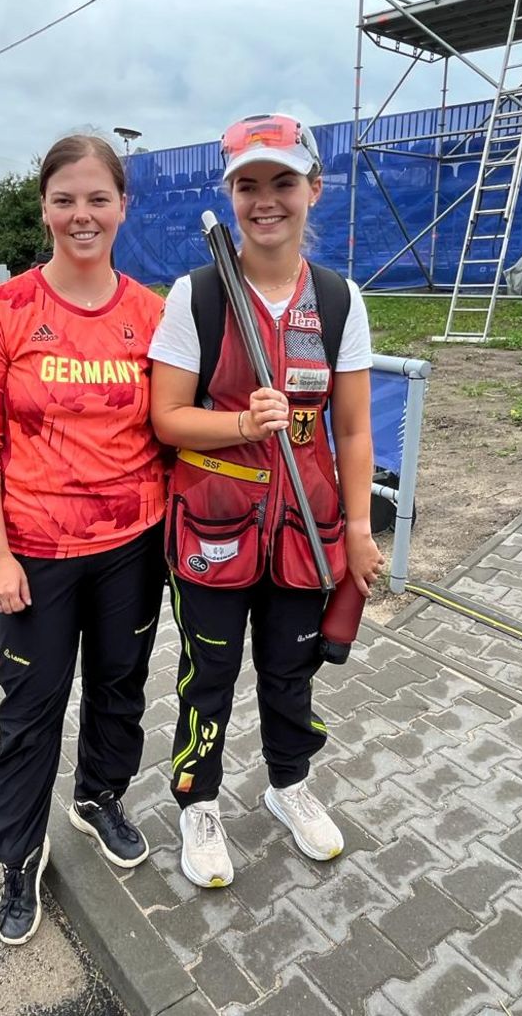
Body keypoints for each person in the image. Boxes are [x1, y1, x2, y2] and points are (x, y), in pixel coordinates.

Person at [149, 113, 384, 888]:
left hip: (306, 535)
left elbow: (352, 429)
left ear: (313, 189)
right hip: (212, 532)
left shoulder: (340, 299)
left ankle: (289, 787)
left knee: (292, 675)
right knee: (207, 676)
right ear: (231, 195)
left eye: (283, 181)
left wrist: (357, 529)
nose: (266, 200)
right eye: (248, 185)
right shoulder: (200, 295)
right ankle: (197, 802)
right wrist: (241, 423)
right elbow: (167, 417)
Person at [0, 134, 168, 944]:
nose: (82, 214)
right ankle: (19, 856)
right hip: (35, 553)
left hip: (132, 548)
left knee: (120, 684)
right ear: (44, 207)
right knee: (31, 709)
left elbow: (173, 427)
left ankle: (98, 798)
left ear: (122, 207)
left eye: (98, 199)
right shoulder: (2, 313)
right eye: (65, 199)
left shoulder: (151, 315)